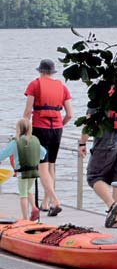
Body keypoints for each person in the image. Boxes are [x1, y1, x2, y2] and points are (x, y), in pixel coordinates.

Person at [23, 58, 72, 216]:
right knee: (51, 165)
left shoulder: (34, 85)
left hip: (40, 128)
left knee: (41, 167)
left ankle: (55, 201)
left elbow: (28, 111)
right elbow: (70, 114)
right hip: (57, 129)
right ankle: (45, 203)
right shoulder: (62, 87)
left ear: (40, 71)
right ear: (52, 72)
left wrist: (24, 131)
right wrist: (60, 125)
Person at [78, 88, 117, 229]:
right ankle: (116, 219)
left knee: (93, 176)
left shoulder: (99, 97)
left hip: (106, 140)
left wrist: (82, 143)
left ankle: (112, 205)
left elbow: (89, 123)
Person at [0, 119, 48, 220]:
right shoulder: (35, 140)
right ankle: (34, 207)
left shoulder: (15, 142)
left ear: (18, 129)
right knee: (28, 189)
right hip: (34, 171)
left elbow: (2, 155)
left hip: (22, 173)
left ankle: (25, 218)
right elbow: (43, 154)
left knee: (23, 194)